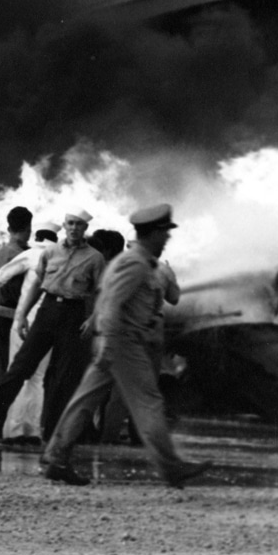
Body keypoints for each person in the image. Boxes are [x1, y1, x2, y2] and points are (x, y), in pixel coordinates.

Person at [40, 204, 210, 489]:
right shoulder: (135, 264)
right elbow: (113, 302)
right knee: (148, 403)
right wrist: (109, 341)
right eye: (164, 234)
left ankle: (56, 457)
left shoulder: (132, 261)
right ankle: (171, 467)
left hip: (114, 341)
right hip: (124, 343)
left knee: (84, 400)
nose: (167, 239)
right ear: (153, 234)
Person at [0, 208, 105, 443]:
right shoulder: (49, 252)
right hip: (47, 311)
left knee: (59, 378)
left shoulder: (95, 258)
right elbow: (36, 286)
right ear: (64, 227)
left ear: (85, 229)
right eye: (70, 223)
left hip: (72, 315)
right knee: (20, 367)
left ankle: (49, 436)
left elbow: (101, 291)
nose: (74, 228)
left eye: (79, 224)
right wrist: (22, 314)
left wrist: (92, 317)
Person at [0, 219, 60, 444]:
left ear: (37, 238)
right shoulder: (62, 256)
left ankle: (13, 431)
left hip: (23, 322)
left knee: (16, 373)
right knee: (38, 379)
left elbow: (1, 276)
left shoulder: (31, 254)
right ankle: (32, 431)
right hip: (49, 323)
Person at [0, 206, 33, 384]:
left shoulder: (3, 252)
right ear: (29, 228)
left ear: (9, 228)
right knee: (15, 360)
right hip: (11, 313)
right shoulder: (20, 255)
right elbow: (15, 291)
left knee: (6, 357)